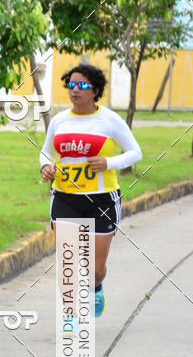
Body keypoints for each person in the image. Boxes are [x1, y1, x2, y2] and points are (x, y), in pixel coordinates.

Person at [39, 63, 142, 317]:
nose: (75, 90)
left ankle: (96, 286)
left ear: (95, 90)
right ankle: (71, 317)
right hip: (65, 197)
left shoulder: (109, 120)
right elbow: (45, 151)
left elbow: (135, 152)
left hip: (101, 200)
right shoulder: (60, 120)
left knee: (94, 268)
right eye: (71, 85)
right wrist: (45, 166)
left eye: (82, 85)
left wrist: (109, 163)